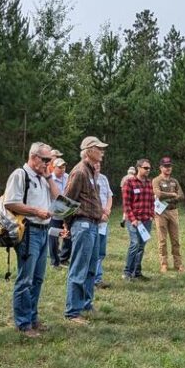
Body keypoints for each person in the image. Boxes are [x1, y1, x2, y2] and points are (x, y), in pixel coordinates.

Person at [4, 142, 60, 337]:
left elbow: (58, 198)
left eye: (50, 160)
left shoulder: (44, 177)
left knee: (37, 278)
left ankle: (32, 317)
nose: (48, 163)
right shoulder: (20, 175)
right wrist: (35, 211)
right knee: (25, 279)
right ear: (34, 157)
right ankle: (23, 323)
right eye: (46, 160)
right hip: (29, 231)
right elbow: (10, 202)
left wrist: (49, 177)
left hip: (45, 230)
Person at [62, 137, 108, 324]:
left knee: (90, 268)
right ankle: (73, 311)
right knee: (79, 268)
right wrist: (67, 224)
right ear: (89, 151)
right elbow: (66, 200)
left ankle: (85, 305)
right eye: (99, 149)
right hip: (83, 224)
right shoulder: (79, 172)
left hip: (93, 225)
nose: (102, 152)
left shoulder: (91, 172)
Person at [122, 158, 155, 281]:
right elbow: (126, 204)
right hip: (134, 220)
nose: (148, 170)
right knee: (135, 244)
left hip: (146, 220)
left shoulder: (149, 183)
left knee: (141, 246)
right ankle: (127, 272)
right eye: (145, 168)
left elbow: (152, 201)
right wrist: (133, 219)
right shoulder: (129, 183)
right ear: (138, 168)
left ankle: (137, 272)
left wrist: (151, 214)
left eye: (149, 168)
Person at [152, 157, 184, 272]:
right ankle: (164, 263)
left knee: (175, 239)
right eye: (165, 166)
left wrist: (173, 196)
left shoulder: (174, 181)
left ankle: (178, 264)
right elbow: (158, 194)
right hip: (161, 213)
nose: (168, 168)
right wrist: (172, 194)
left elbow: (181, 196)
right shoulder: (156, 180)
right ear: (161, 168)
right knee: (162, 239)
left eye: (169, 166)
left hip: (173, 211)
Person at [93, 160, 113, 289]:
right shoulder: (85, 178)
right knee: (93, 252)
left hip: (104, 221)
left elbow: (109, 196)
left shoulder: (103, 178)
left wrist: (107, 210)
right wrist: (100, 214)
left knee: (101, 252)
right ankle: (94, 279)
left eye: (99, 165)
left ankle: (97, 278)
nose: (97, 167)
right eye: (95, 165)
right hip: (93, 220)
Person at [49, 158, 70, 268]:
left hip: (67, 212)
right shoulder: (49, 179)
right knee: (53, 237)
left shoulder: (68, 177)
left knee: (68, 236)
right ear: (53, 167)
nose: (62, 169)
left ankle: (64, 259)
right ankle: (54, 261)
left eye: (64, 167)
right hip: (54, 213)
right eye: (60, 167)